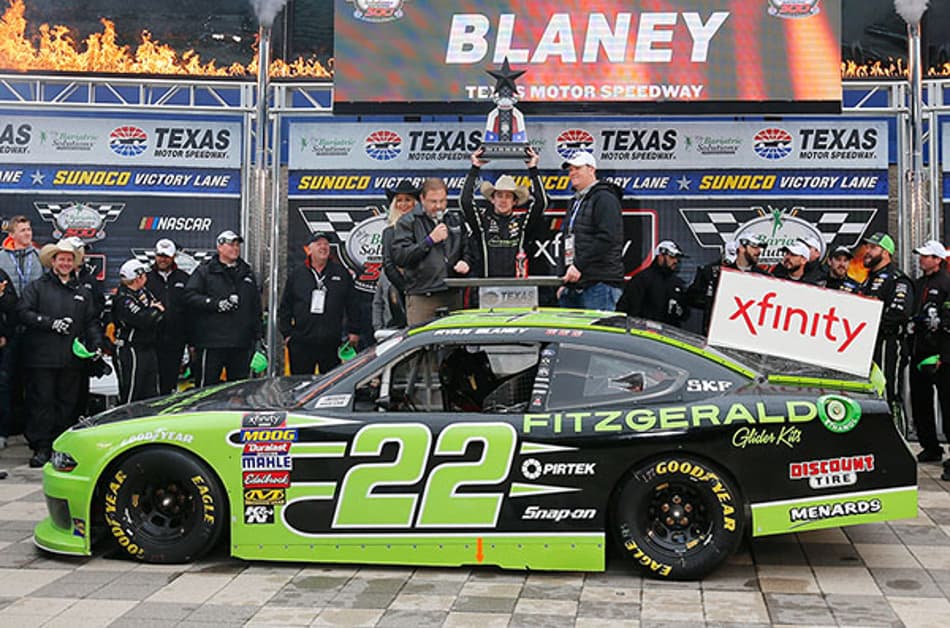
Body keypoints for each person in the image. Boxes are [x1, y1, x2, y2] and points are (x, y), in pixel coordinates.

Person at [18, 240, 103, 467]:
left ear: (75, 263)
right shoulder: (37, 287)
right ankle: (42, 448)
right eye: (61, 259)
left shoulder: (83, 291)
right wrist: (49, 323)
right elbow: (23, 312)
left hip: (70, 359)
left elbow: (91, 321)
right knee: (42, 403)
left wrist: (96, 344)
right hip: (41, 359)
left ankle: (62, 448)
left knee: (69, 404)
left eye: (69, 259)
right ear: (53, 261)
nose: (65, 263)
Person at [185, 230, 263, 386]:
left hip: (241, 343)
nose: (235, 248)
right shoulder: (205, 271)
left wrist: (258, 337)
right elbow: (189, 296)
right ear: (220, 247)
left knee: (240, 390)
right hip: (212, 343)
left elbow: (255, 307)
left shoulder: (246, 272)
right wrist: (215, 303)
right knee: (206, 389)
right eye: (231, 245)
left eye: (237, 245)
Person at [391, 177, 472, 325]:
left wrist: (465, 261)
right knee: (419, 344)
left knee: (454, 344)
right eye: (433, 201)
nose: (439, 206)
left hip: (452, 294)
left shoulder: (455, 219)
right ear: (422, 199)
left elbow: (467, 248)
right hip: (422, 295)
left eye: (442, 201)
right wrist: (429, 241)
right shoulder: (409, 221)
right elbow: (400, 256)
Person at [279, 232, 361, 375]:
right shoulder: (297, 274)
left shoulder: (341, 273)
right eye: (318, 244)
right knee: (300, 385)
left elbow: (352, 304)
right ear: (308, 249)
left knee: (330, 385)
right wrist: (287, 334)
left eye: (326, 244)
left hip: (331, 342)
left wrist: (354, 331)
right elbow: (286, 306)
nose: (323, 247)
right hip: (301, 342)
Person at [460, 147, 548, 278]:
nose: (503, 200)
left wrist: (533, 168)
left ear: (514, 201)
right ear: (492, 199)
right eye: (499, 195)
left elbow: (541, 202)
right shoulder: (483, 222)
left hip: (517, 289)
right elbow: (465, 202)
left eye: (508, 196)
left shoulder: (522, 223)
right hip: (487, 288)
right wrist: (475, 168)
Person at [858, 232, 914, 426]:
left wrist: (871, 321)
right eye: (867, 247)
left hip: (889, 345)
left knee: (889, 393)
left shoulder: (898, 280)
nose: (867, 251)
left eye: (873, 248)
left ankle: (900, 441)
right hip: (867, 347)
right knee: (869, 395)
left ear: (886, 252)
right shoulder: (867, 280)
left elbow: (899, 314)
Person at [557, 152, 624, 310]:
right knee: (569, 334)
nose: (572, 173)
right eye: (570, 169)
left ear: (591, 169)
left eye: (577, 168)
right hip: (574, 283)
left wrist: (578, 266)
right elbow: (568, 240)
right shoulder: (575, 201)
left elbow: (607, 238)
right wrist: (563, 280)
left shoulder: (605, 197)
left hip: (599, 284)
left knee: (598, 334)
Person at [0, 215, 41, 446]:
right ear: (12, 235)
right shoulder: (1, 259)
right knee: (5, 381)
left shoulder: (41, 258)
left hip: (35, 329)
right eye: (23, 230)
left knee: (35, 382)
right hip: (9, 329)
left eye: (29, 229)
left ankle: (33, 433)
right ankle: (3, 432)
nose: (28, 234)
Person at [908, 240, 949, 463]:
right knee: (920, 402)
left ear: (937, 259)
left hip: (942, 355)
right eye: (920, 255)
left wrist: (944, 355)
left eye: (926, 256)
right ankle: (930, 446)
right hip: (919, 351)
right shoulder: (918, 283)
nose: (921, 259)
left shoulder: (947, 283)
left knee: (947, 403)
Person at [686, 234, 768, 334]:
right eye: (755, 247)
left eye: (760, 248)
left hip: (750, 334)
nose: (758, 251)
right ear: (741, 248)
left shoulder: (764, 277)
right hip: (720, 332)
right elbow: (693, 297)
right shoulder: (719, 273)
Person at [113, 259, 163, 403]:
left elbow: (160, 313)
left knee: (152, 394)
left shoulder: (144, 292)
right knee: (132, 393)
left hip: (148, 347)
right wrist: (152, 310)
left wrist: (152, 311)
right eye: (144, 275)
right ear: (138, 277)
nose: (146, 277)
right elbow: (143, 320)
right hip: (130, 349)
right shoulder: (124, 298)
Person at [145, 239, 191, 394]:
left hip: (175, 340)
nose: (162, 259)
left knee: (170, 382)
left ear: (173, 257)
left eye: (166, 256)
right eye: (159, 255)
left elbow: (191, 309)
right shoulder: (144, 278)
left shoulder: (184, 278)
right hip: (150, 341)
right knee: (149, 382)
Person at [616, 240, 689, 327]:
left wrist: (679, 311)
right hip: (645, 334)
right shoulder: (642, 279)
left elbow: (685, 315)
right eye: (672, 257)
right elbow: (628, 309)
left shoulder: (677, 283)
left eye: (677, 258)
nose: (676, 261)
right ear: (660, 256)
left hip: (670, 334)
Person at [379, 180, 420, 329]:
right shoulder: (389, 232)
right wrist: (405, 288)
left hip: (425, 288)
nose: (403, 204)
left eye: (408, 200)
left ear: (415, 203)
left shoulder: (424, 228)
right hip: (400, 290)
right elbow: (388, 265)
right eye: (399, 200)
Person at [0, 266, 17, 449]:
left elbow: (13, 306)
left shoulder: (1, 275)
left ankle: (2, 432)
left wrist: (1, 297)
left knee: (2, 387)